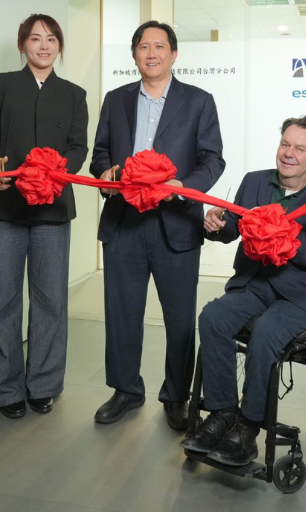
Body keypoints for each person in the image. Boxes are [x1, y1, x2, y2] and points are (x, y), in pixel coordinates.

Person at [182, 116, 306, 466]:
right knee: (213, 317)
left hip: (301, 292)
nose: (289, 153)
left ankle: (249, 425)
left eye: (299, 149)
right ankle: (223, 412)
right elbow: (231, 229)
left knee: (267, 332)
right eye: (285, 144)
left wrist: (284, 234)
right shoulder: (255, 182)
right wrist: (215, 223)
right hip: (255, 282)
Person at [89, 21, 225, 429]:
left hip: (176, 223)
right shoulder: (115, 100)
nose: (152, 53)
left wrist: (183, 187)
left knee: (180, 317)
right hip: (123, 222)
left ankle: (177, 395)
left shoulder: (199, 101)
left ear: (174, 54)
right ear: (134, 55)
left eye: (159, 46)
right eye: (144, 47)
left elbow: (213, 159)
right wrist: (107, 177)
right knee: (122, 312)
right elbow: (98, 155)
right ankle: (126, 390)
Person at [0, 14, 88, 419]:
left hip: (52, 210)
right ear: (22, 45)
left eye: (51, 38)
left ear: (60, 46)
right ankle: (3, 390)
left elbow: (77, 148)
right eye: (35, 38)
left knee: (51, 300)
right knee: (1, 300)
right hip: (2, 207)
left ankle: (43, 385)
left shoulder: (74, 94)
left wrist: (56, 170)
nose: (43, 45)